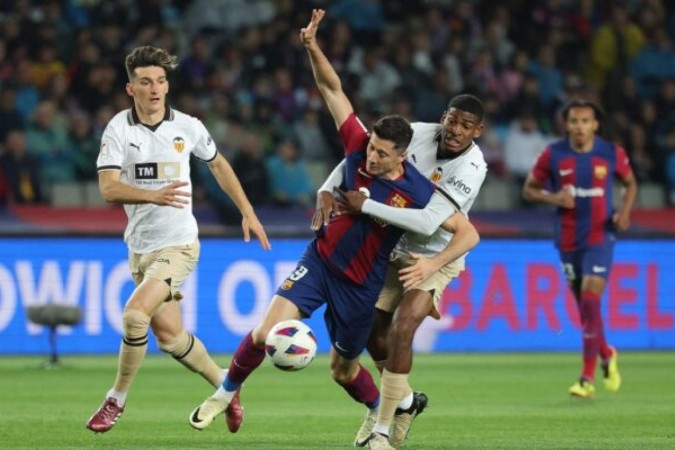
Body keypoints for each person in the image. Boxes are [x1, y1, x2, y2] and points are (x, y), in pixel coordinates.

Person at [186, 11, 479, 448]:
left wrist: (420, 249)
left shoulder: (418, 192)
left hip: (362, 286)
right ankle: (224, 393)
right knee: (265, 332)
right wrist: (312, 47)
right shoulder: (360, 147)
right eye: (371, 148)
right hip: (320, 261)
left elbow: (465, 232)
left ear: (402, 158)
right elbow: (332, 89)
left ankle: (388, 409)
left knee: (343, 371)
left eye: (381, 155)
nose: (370, 159)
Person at [86, 45, 270, 433]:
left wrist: (247, 211)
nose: (154, 89)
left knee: (135, 314)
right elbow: (107, 188)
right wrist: (153, 194)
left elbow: (218, 164)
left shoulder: (188, 126)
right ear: (129, 89)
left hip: (180, 244)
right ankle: (227, 387)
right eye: (145, 82)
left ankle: (114, 400)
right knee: (170, 338)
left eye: (160, 81)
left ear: (167, 86)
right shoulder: (119, 129)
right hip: (139, 247)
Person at [316, 94, 487, 448]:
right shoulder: (416, 134)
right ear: (444, 117)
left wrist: (368, 207)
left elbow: (428, 223)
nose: (455, 130)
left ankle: (381, 428)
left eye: (466, 126)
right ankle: (404, 403)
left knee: (403, 327)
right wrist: (328, 187)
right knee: (372, 331)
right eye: (452, 120)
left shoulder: (472, 169)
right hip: (394, 248)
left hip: (437, 254)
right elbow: (361, 153)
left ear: (478, 132)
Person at [522, 99, 637, 398]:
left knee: (589, 300)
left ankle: (586, 379)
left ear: (595, 124)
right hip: (568, 240)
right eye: (574, 121)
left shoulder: (611, 153)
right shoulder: (554, 154)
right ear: (566, 125)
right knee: (586, 309)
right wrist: (554, 198)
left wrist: (624, 214)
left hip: (600, 238)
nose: (579, 127)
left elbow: (631, 183)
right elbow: (529, 189)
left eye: (585, 121)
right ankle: (607, 353)